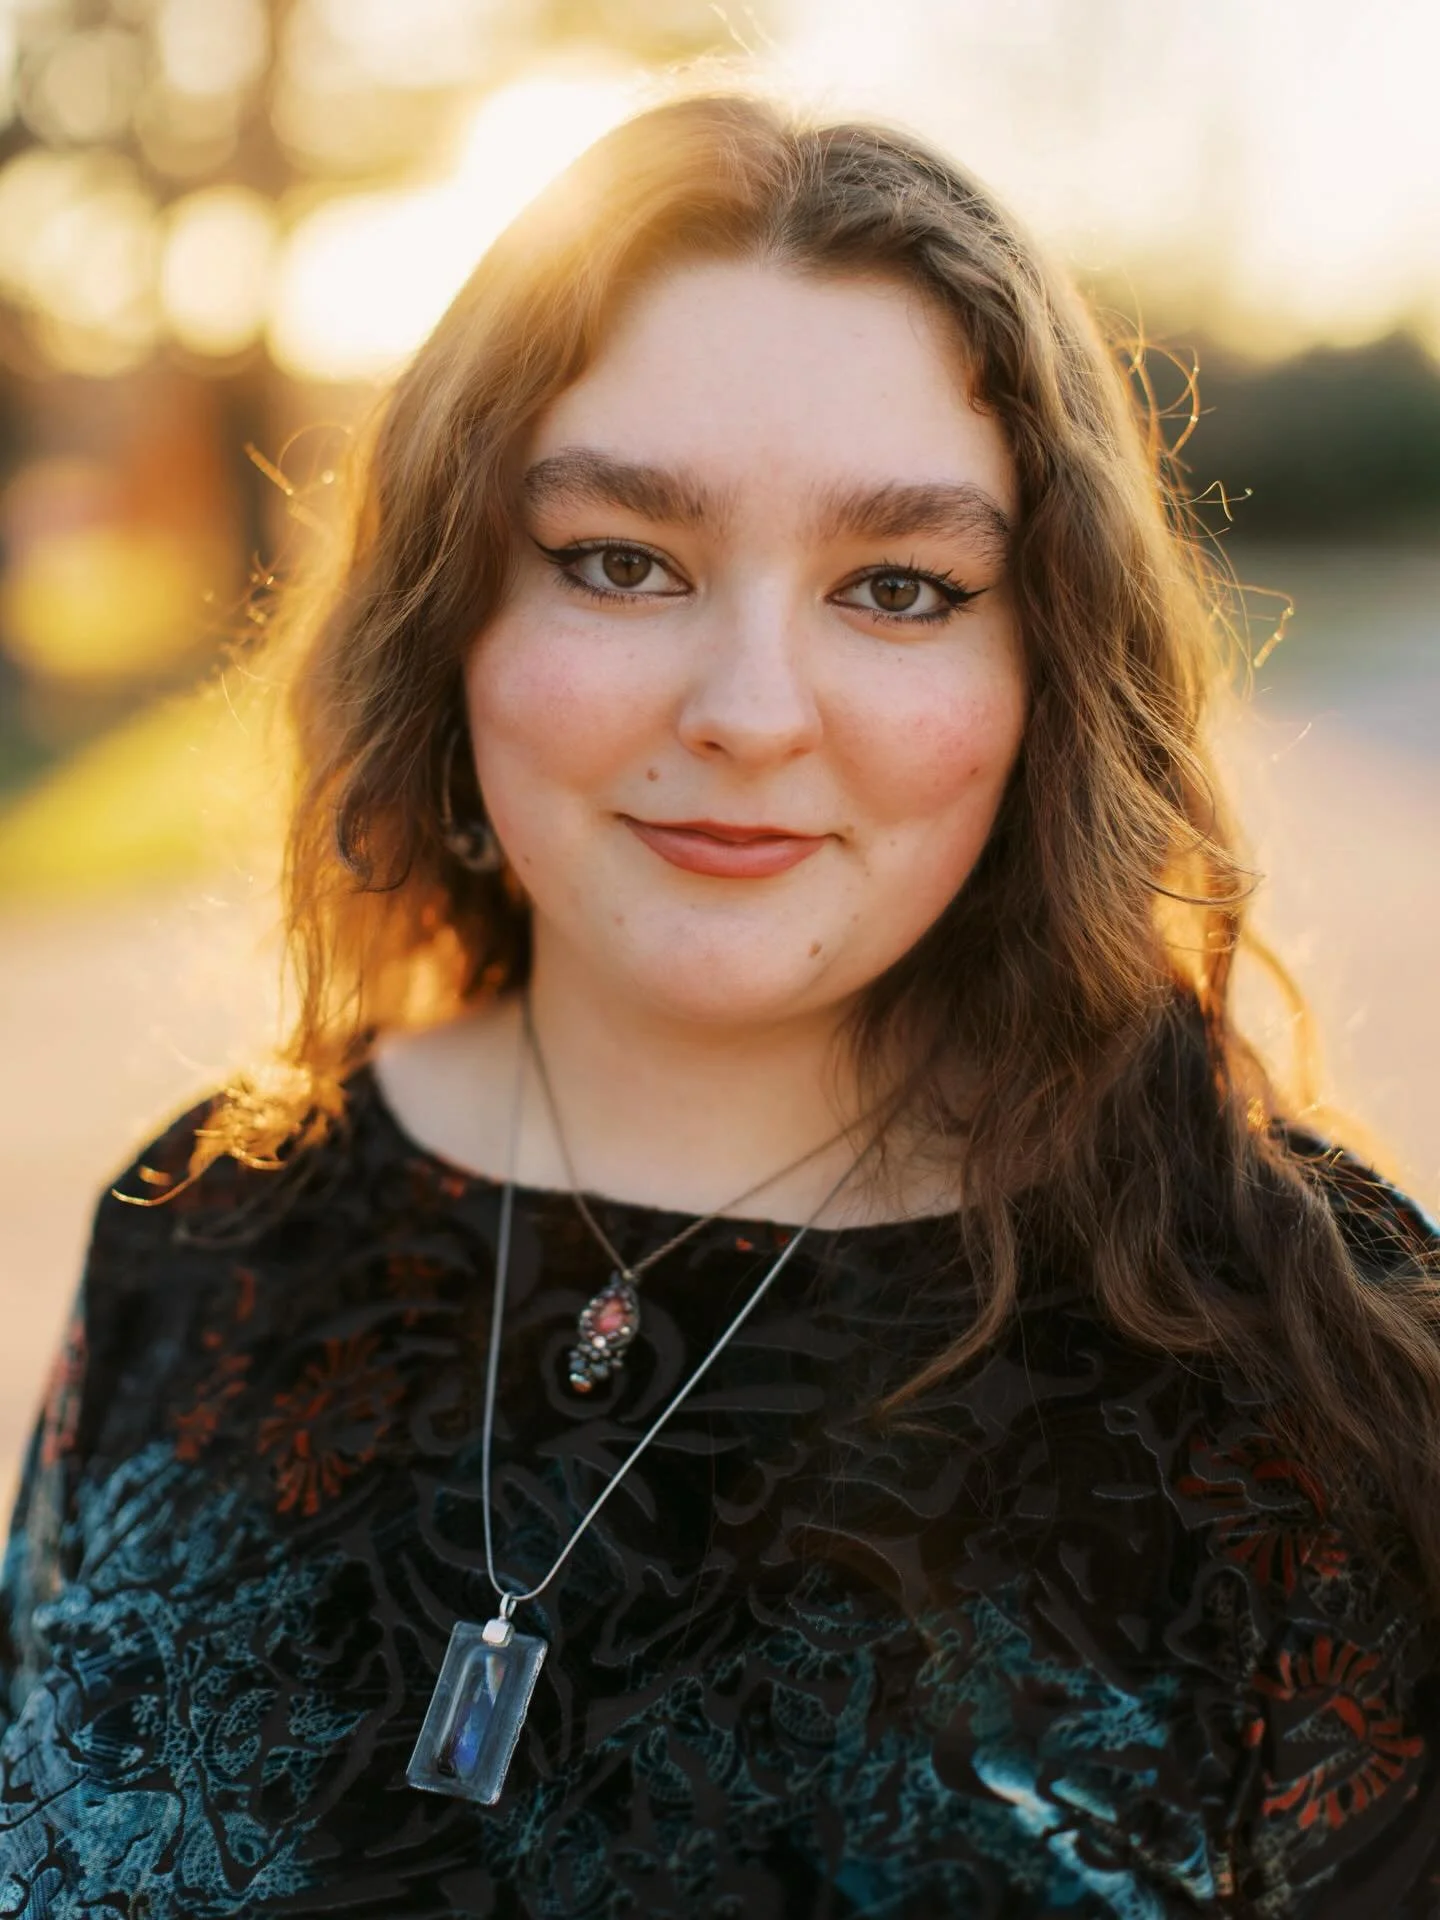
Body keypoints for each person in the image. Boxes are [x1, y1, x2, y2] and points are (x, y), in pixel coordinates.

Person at [1, 87, 1438, 1920]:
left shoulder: (1327, 1383)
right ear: (452, 619)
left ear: (1051, 679)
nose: (751, 710)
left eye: (902, 588)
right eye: (621, 560)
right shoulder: (200, 1232)